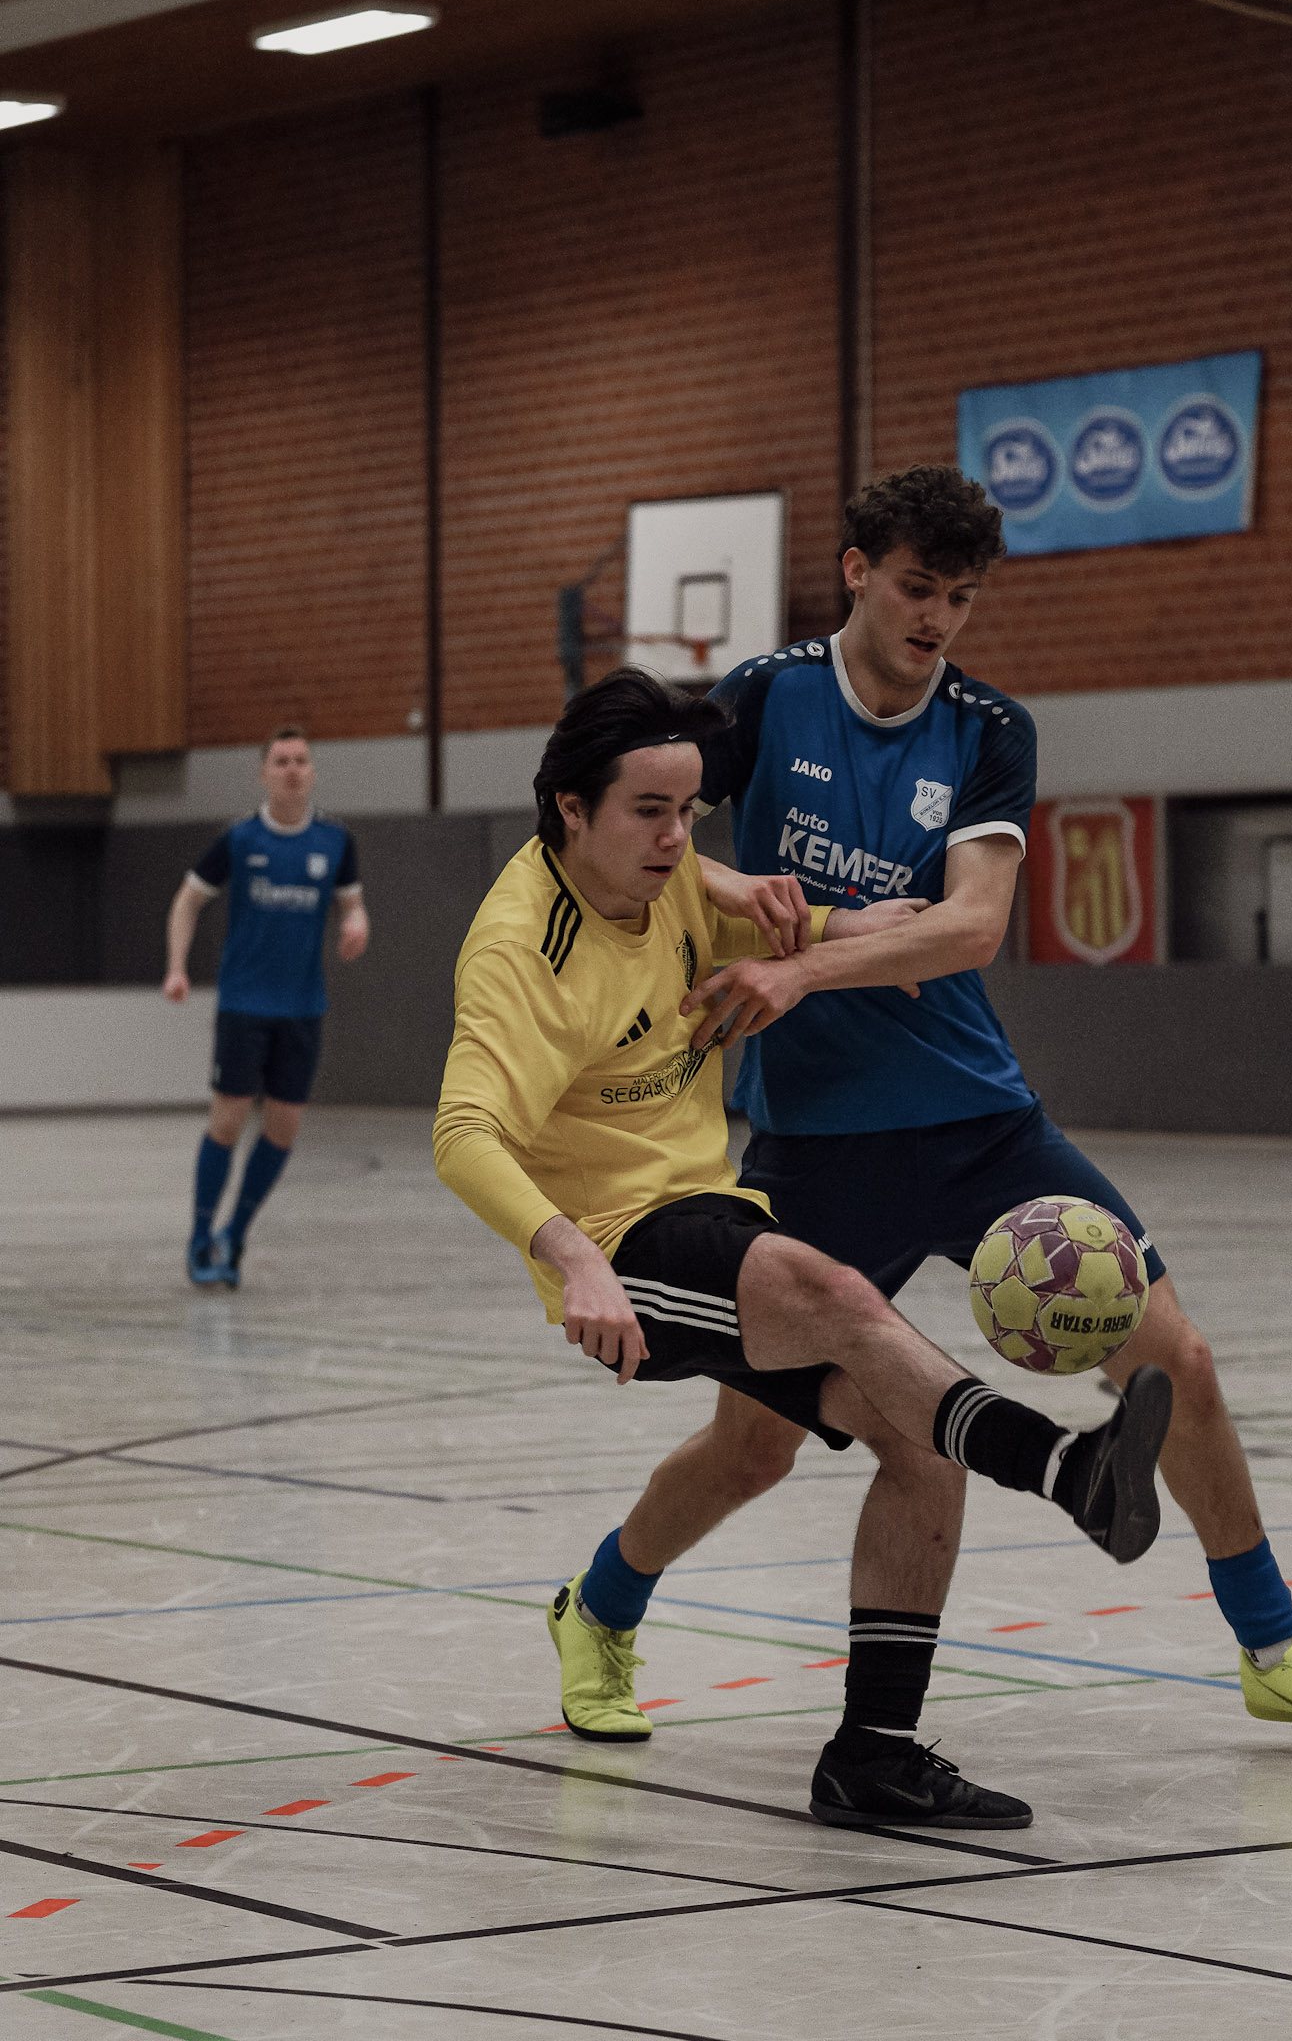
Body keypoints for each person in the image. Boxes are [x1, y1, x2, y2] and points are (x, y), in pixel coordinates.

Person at [596, 464, 1292, 1756]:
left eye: (962, 598)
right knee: (752, 1448)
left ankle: (1274, 1649)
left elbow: (971, 926)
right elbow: (626, 830)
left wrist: (800, 966)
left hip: (981, 1124)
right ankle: (599, 1609)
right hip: (817, 1147)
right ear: (858, 571)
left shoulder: (987, 728)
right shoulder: (765, 695)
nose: (937, 617)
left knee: (1179, 1361)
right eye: (917, 587)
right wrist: (737, 889)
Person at [433, 669, 1174, 1830]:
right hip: (619, 1246)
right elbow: (464, 1132)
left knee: (914, 1432)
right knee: (834, 1292)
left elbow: (780, 917)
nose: (678, 837)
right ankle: (1065, 1469)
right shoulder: (524, 946)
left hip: (714, 1204)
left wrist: (853, 926)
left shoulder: (668, 877)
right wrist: (573, 1259)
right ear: (571, 807)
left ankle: (870, 1752)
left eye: (689, 811)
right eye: (649, 811)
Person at [163, 726, 369, 1288]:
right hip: (244, 1005)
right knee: (228, 1121)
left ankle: (235, 1234)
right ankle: (200, 1237)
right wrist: (177, 967)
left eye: (301, 760)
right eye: (281, 761)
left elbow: (353, 905)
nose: (292, 769)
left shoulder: (334, 841)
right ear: (264, 773)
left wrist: (356, 925)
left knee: (282, 1129)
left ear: (312, 771)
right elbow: (188, 900)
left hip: (302, 1009)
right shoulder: (240, 838)